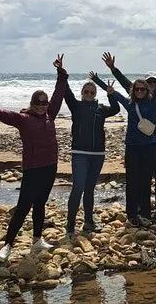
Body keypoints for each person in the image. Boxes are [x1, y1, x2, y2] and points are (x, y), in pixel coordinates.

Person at [0, 54, 68, 262]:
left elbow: (59, 93)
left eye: (44, 102)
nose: (42, 105)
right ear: (32, 103)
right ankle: (7, 246)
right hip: (32, 168)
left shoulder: (50, 114)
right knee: (23, 207)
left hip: (50, 166)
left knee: (41, 204)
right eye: (38, 102)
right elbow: (0, 113)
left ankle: (37, 239)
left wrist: (61, 72)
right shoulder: (23, 119)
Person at [101, 49, 156, 216]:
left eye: (155, 82)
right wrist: (113, 68)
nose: (153, 84)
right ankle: (140, 206)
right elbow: (124, 82)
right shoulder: (138, 96)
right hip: (143, 141)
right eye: (150, 82)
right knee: (141, 175)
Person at [110, 60, 156, 227]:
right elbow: (115, 94)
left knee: (146, 180)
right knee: (132, 181)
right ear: (133, 91)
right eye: (137, 89)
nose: (140, 91)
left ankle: (145, 213)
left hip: (149, 146)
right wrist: (104, 81)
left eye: (143, 89)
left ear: (147, 90)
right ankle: (132, 214)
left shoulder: (153, 102)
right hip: (132, 147)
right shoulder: (130, 105)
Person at [63, 74, 120, 236]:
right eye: (86, 92)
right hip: (80, 152)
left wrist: (111, 94)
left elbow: (116, 109)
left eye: (92, 92)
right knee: (78, 187)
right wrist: (62, 74)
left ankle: (88, 222)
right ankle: (70, 224)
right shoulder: (76, 106)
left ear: (95, 94)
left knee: (89, 188)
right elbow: (66, 92)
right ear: (82, 92)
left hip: (98, 154)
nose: (89, 94)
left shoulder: (101, 109)